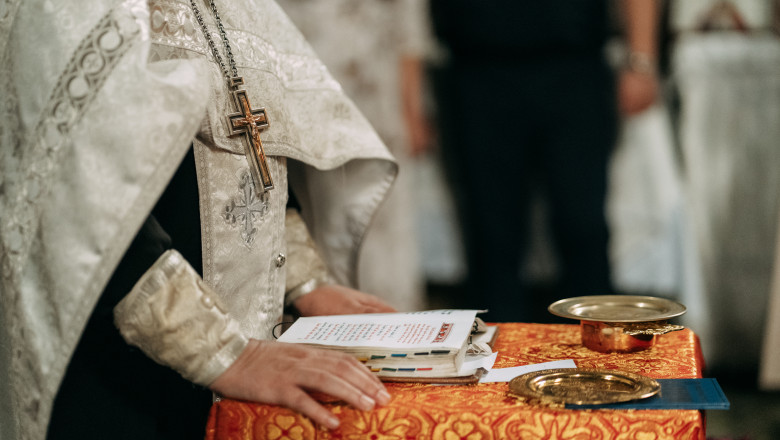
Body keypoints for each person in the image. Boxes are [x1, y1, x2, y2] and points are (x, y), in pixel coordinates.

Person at [0, 0, 401, 439]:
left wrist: (303, 280)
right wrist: (221, 351)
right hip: (114, 361)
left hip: (234, 353)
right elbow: (79, 181)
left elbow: (253, 132)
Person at [428, 0, 660, 322]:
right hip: (478, 67)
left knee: (583, 229)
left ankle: (597, 360)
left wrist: (641, 59)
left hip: (574, 65)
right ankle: (490, 363)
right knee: (490, 238)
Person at [276, 0, 433, 311]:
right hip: (297, 94)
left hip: (374, 96)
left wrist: (412, 110)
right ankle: (326, 325)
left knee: (379, 215)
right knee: (309, 217)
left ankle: (393, 324)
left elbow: (409, 28)